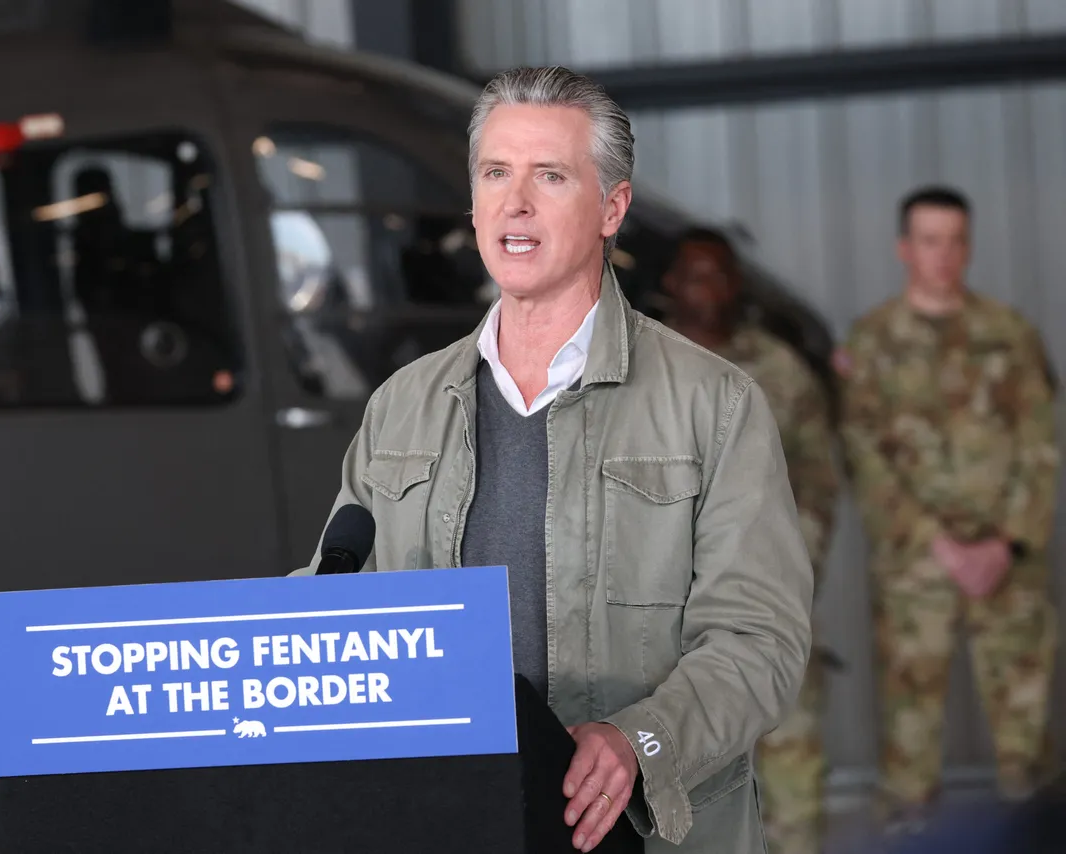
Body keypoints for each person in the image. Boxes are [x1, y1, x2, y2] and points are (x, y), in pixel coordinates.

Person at [293, 65, 813, 853]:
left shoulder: (715, 403)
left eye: (550, 176)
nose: (516, 202)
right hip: (449, 821)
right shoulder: (403, 404)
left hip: (649, 834)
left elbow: (760, 640)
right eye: (496, 173)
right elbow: (340, 614)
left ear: (612, 207)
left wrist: (642, 740)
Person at [837, 186, 1059, 832]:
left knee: (1029, 735)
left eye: (956, 240)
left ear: (969, 247)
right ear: (905, 249)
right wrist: (939, 544)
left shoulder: (1009, 333)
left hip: (1006, 563)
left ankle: (1039, 837)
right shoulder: (873, 341)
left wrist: (1006, 543)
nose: (944, 255)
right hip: (917, 567)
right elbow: (863, 454)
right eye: (929, 241)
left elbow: (1041, 443)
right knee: (911, 738)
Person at [661, 226, 839, 854]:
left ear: (737, 284)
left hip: (768, 608)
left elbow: (818, 475)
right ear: (671, 284)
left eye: (720, 274)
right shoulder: (635, 366)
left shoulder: (779, 370)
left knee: (793, 774)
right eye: (696, 274)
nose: (708, 288)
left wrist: (794, 560)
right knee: (683, 786)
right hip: (664, 628)